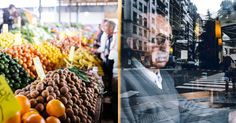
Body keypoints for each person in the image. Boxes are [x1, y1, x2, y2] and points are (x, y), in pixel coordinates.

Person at [121, 15, 236, 123]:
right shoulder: (124, 83)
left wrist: (228, 116)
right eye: (160, 39)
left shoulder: (164, 78)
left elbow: (184, 110)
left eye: (169, 39)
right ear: (136, 44)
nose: (167, 47)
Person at [96, 20, 116, 96]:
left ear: (111, 28)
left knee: (109, 76)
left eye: (106, 26)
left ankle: (110, 93)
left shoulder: (114, 37)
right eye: (104, 25)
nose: (104, 27)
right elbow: (103, 48)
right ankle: (107, 91)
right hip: (105, 58)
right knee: (106, 75)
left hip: (111, 59)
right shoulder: (105, 36)